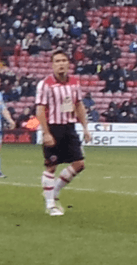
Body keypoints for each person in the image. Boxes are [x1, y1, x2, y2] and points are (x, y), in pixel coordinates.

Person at [35, 49, 91, 216]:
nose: (60, 64)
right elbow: (40, 110)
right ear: (52, 65)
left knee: (79, 164)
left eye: (63, 61)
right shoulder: (45, 84)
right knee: (51, 165)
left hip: (69, 127)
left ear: (68, 64)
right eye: (57, 61)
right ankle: (50, 204)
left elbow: (79, 105)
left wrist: (86, 128)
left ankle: (55, 191)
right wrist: (46, 133)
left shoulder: (74, 82)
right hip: (53, 127)